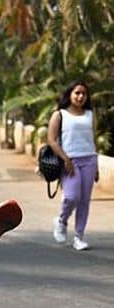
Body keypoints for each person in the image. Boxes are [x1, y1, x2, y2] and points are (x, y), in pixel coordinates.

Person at [47, 80, 98, 251]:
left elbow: (93, 139)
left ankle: (79, 237)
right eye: (77, 93)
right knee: (71, 197)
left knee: (84, 201)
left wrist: (96, 165)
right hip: (70, 162)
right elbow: (51, 140)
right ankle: (61, 221)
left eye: (84, 93)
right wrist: (65, 158)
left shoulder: (90, 114)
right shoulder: (59, 115)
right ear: (70, 94)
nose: (80, 96)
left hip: (89, 159)